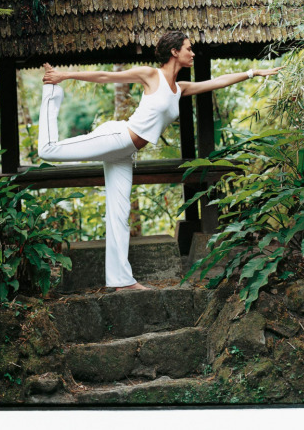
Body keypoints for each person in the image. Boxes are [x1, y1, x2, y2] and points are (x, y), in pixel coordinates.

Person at [39, 30, 282, 292]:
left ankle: (122, 281)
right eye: (188, 48)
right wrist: (63, 75)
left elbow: (218, 81)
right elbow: (107, 76)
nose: (192, 53)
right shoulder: (150, 75)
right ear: (174, 51)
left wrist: (252, 72)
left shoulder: (179, 88)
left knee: (119, 216)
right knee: (49, 150)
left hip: (125, 152)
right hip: (118, 137)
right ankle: (53, 94)